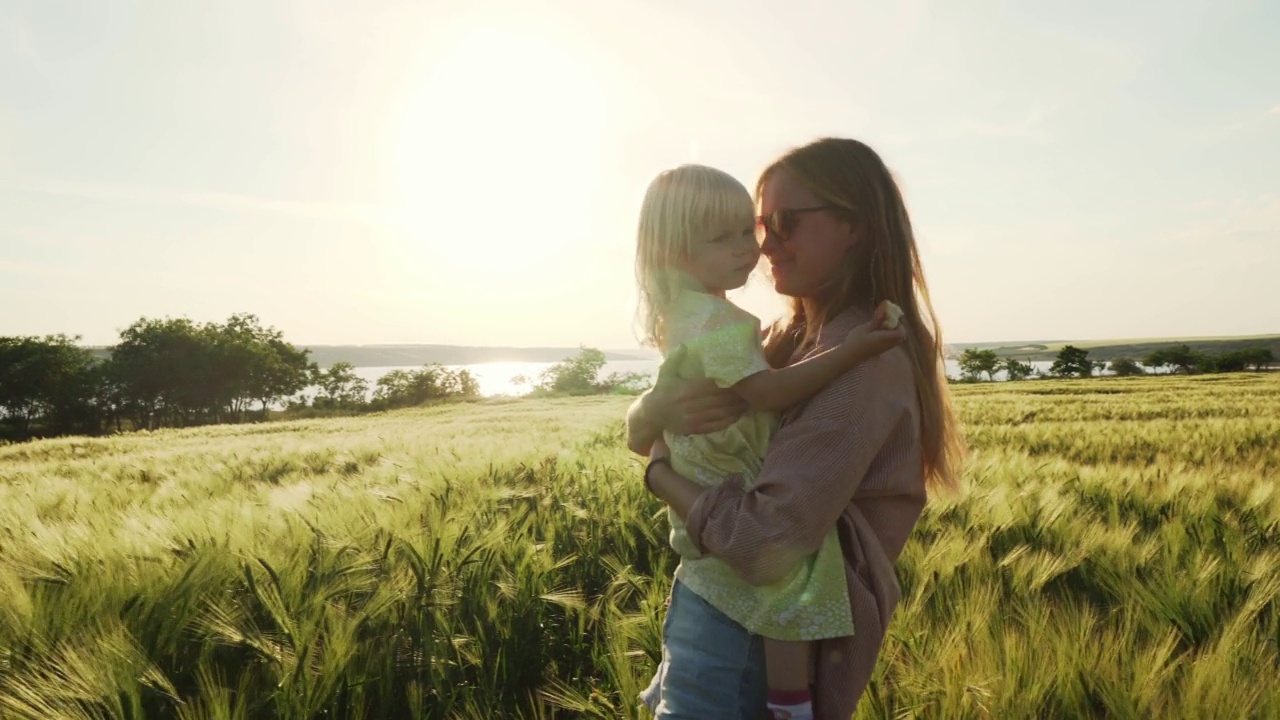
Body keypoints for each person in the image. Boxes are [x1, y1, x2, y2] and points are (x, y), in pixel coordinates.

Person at [628, 138, 964, 720]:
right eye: (760, 224)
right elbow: (664, 426)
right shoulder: (787, 340)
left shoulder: (862, 361)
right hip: (714, 606)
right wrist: (655, 413)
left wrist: (659, 474)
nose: (764, 244)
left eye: (783, 222)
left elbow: (764, 547)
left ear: (853, 227)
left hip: (747, 632)